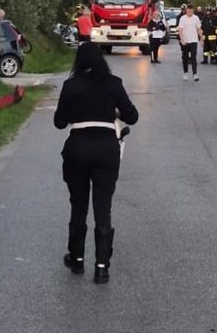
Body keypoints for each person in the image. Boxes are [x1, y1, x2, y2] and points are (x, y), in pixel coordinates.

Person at [54, 43, 139, 284]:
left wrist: (75, 112)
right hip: (106, 148)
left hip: (78, 146)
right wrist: (114, 113)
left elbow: (59, 122)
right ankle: (102, 267)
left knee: (78, 205)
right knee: (103, 207)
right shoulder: (114, 83)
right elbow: (132, 116)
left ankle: (77, 258)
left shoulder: (71, 86)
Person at [177, 5, 203, 81]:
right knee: (185, 57)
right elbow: (180, 30)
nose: (189, 12)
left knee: (193, 57)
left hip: (193, 40)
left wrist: (201, 38)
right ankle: (185, 73)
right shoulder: (182, 18)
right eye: (188, 11)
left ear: (193, 11)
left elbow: (198, 29)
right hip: (185, 40)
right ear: (186, 11)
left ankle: (195, 74)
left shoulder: (196, 18)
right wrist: (182, 39)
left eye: (191, 11)